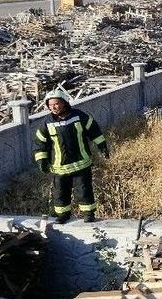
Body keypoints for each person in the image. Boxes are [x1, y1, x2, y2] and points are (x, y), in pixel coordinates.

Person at [33, 89, 109, 224]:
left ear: (64, 103)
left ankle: (88, 214)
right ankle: (63, 215)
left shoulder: (79, 116)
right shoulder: (46, 123)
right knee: (60, 193)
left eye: (56, 104)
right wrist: (41, 160)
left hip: (81, 163)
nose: (53, 107)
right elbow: (40, 144)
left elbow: (94, 130)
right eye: (50, 105)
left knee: (84, 190)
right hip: (59, 167)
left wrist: (102, 145)